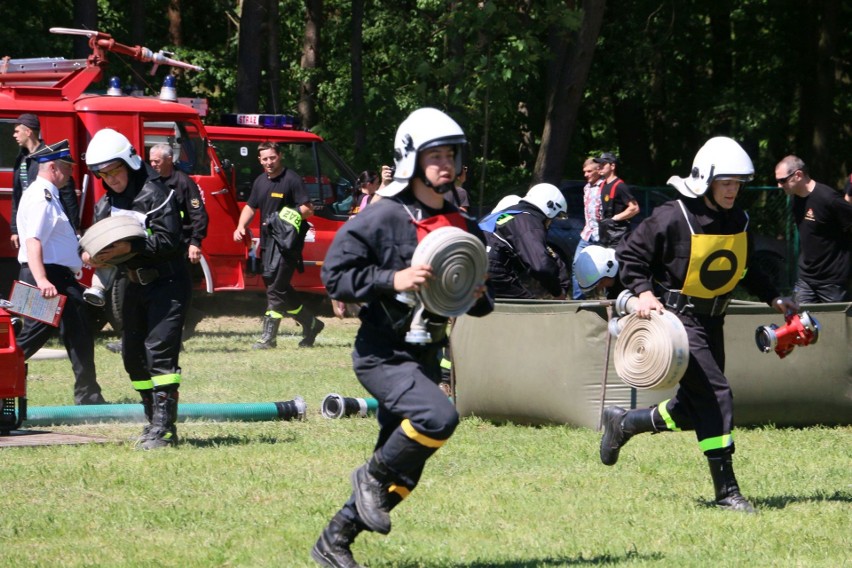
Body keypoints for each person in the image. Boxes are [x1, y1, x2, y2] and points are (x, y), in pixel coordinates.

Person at [313, 107, 494, 568]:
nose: (446, 164)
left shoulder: (460, 222)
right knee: (439, 417)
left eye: (451, 154)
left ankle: (334, 541)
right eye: (435, 155)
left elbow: (469, 300)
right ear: (411, 158)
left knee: (404, 474)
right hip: (383, 354)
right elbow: (335, 277)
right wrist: (394, 279)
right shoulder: (382, 216)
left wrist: (473, 293)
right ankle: (367, 476)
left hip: (427, 353)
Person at [600, 136, 797, 513]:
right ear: (704, 179)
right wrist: (641, 291)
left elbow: (747, 266)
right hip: (677, 320)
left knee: (693, 408)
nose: (733, 190)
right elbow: (629, 254)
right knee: (717, 396)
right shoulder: (673, 215)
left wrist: (774, 297)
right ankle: (727, 493)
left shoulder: (739, 219)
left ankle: (624, 424)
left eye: (738, 183)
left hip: (713, 321)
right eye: (726, 183)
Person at [82, 128, 190, 450]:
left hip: (167, 283)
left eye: (114, 171)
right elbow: (96, 237)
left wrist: (128, 245)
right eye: (102, 174)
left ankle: (165, 429)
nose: (110, 179)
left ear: (128, 162)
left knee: (159, 353)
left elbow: (170, 241)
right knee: (132, 357)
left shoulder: (156, 194)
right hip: (132, 285)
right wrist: (91, 254)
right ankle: (150, 419)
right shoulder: (107, 202)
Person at [14, 140, 105, 405]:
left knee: (79, 331)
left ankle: (89, 396)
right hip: (46, 277)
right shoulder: (41, 196)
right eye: (67, 169)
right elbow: (33, 240)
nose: (70, 175)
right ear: (52, 167)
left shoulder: (48, 194)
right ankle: (88, 395)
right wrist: (42, 279)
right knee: (31, 336)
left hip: (55, 277)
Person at [232, 142, 324, 349]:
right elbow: (250, 206)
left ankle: (268, 338)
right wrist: (240, 226)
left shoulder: (291, 179)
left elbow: (308, 209)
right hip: (267, 243)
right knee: (278, 287)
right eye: (264, 159)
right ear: (260, 160)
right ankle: (312, 323)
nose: (269, 162)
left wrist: (284, 216)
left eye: (272, 158)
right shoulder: (260, 181)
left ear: (279, 156)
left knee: (275, 289)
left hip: (286, 245)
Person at [775, 156, 852, 303]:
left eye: (782, 180)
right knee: (798, 323)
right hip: (806, 280)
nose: (779, 185)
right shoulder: (794, 200)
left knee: (834, 325)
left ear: (798, 175)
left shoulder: (829, 198)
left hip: (833, 281)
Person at [481, 183, 570, 299]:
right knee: (530, 312)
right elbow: (541, 266)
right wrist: (558, 292)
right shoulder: (529, 220)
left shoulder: (506, 213)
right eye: (551, 219)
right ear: (550, 208)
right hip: (490, 268)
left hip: (467, 262)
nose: (549, 223)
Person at [10, 114, 80, 250]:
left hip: (46, 219)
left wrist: (75, 227)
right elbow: (16, 194)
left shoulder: (49, 158)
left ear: (28, 132)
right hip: (27, 219)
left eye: (17, 131)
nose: (14, 135)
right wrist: (15, 229)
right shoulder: (21, 158)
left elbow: (67, 194)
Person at [572, 157, 604, 299]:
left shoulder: (605, 187)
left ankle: (609, 301)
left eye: (589, 171)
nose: (586, 175)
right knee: (576, 265)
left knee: (605, 270)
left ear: (599, 170)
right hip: (587, 234)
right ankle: (578, 301)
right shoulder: (586, 188)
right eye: (584, 172)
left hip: (603, 237)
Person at [594, 152, 639, 248]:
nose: (599, 167)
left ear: (612, 166)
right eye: (599, 165)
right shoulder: (603, 184)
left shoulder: (620, 186)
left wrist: (615, 218)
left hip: (618, 236)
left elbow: (634, 208)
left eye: (603, 164)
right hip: (605, 234)